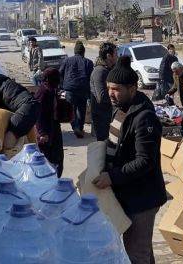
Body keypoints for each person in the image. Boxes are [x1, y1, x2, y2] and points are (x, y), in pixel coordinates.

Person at [92, 56, 167, 264]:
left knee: (136, 253)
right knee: (140, 250)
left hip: (142, 197)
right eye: (108, 88)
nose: (110, 93)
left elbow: (145, 161)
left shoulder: (145, 118)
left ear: (132, 89)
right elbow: (115, 143)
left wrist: (113, 177)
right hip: (125, 192)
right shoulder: (121, 110)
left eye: (116, 89)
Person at [59, 41, 94, 138]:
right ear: (83, 52)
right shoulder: (88, 62)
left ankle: (75, 127)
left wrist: (61, 86)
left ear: (75, 52)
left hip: (69, 89)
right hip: (83, 90)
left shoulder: (67, 61)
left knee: (71, 110)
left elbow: (60, 73)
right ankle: (80, 128)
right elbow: (91, 77)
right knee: (81, 110)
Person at [34, 68, 64, 177]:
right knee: (48, 160)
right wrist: (42, 133)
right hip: (46, 132)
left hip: (54, 128)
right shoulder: (43, 92)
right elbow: (38, 114)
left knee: (58, 158)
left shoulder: (51, 90)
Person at [90, 42, 118, 141]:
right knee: (104, 148)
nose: (117, 56)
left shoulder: (109, 69)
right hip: (102, 118)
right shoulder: (100, 71)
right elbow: (101, 97)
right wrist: (118, 98)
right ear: (108, 56)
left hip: (108, 116)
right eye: (115, 54)